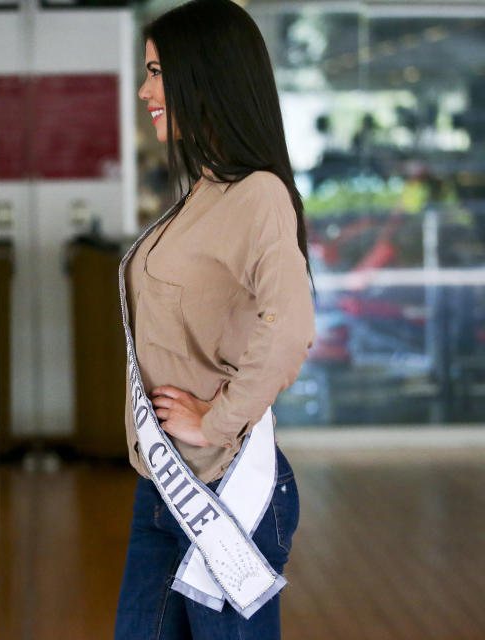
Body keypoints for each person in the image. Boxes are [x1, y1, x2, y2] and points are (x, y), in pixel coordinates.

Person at [115, 1, 316, 638]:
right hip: (163, 489)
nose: (144, 89)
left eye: (155, 70)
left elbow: (289, 328)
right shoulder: (204, 191)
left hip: (227, 493)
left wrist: (218, 418)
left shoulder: (257, 194)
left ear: (203, 73)